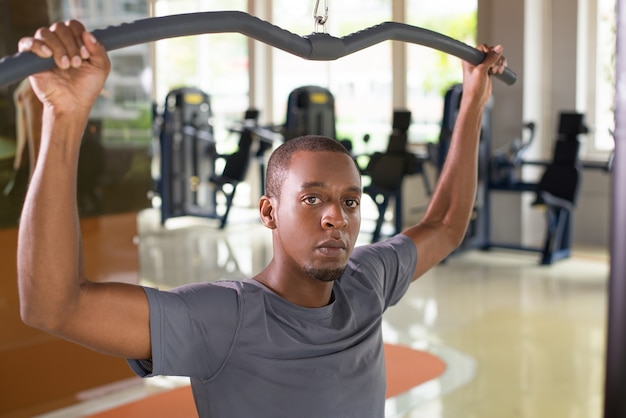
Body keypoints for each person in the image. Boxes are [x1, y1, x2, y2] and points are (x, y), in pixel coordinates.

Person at [16, 20, 507, 418]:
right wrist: (65, 116)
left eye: (350, 201)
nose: (337, 217)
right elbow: (53, 307)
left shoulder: (367, 282)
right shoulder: (223, 319)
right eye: (313, 200)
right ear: (269, 212)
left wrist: (473, 101)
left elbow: (444, 225)